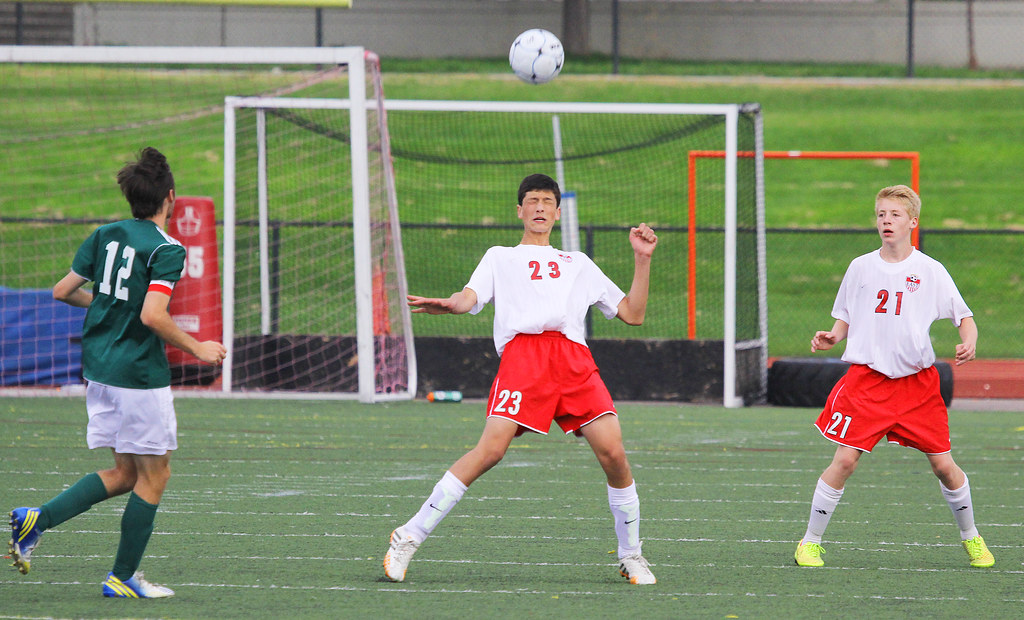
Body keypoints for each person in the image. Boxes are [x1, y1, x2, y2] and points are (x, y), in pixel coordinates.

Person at [383, 173, 659, 585]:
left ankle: (631, 554)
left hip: (572, 359)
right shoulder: (499, 257)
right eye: (532, 201)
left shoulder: (578, 263)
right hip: (523, 358)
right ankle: (408, 536)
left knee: (614, 454)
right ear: (520, 210)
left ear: (558, 212)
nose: (540, 208)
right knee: (491, 450)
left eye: (547, 201)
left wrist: (642, 258)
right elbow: (468, 298)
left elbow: (633, 314)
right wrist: (452, 306)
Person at [8, 147, 227, 598]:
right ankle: (121, 577)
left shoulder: (105, 234)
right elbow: (152, 315)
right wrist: (197, 346)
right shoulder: (167, 249)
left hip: (100, 371)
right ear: (171, 197)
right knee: (157, 474)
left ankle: (38, 519)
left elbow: (63, 291)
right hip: (137, 377)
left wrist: (108, 307)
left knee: (127, 472)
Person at [794, 184, 993, 569]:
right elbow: (846, 315)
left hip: (917, 387)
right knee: (845, 461)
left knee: (943, 466)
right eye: (881, 214)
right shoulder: (861, 267)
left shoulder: (930, 270)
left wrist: (969, 341)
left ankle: (973, 538)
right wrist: (833, 335)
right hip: (867, 383)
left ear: (912, 222)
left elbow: (964, 317)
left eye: (895, 215)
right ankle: (809, 542)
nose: (887, 220)